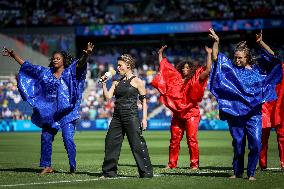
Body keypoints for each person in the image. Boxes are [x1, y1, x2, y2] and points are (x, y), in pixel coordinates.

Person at [2, 42, 94, 175]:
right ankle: (47, 166)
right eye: (54, 58)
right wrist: (15, 56)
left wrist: (87, 55)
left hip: (67, 112)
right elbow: (29, 68)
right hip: (50, 113)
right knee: (45, 137)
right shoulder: (46, 72)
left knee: (68, 138)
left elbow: (80, 64)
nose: (55, 60)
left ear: (63, 60)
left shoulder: (70, 72)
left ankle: (72, 166)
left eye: (58, 58)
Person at [208, 28, 282, 180]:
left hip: (254, 112)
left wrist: (261, 43)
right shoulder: (230, 69)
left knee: (255, 142)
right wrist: (216, 42)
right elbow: (216, 58)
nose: (237, 60)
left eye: (240, 58)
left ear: (247, 57)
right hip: (235, 111)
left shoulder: (258, 69)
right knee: (238, 143)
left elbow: (274, 59)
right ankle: (237, 172)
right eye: (236, 57)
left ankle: (251, 173)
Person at [151, 45, 212, 169]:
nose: (185, 69)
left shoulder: (195, 79)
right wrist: (160, 54)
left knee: (191, 139)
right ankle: (171, 164)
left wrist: (209, 54)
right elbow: (164, 69)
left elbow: (207, 70)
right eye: (183, 67)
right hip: (178, 114)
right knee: (174, 140)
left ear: (191, 69)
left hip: (191, 113)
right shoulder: (176, 79)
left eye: (188, 68)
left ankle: (194, 164)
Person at [100, 54, 153, 178]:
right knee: (111, 142)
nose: (117, 68)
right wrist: (103, 84)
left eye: (120, 65)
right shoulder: (116, 81)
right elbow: (107, 97)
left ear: (128, 66)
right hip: (117, 116)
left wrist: (144, 118)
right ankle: (109, 172)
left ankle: (146, 172)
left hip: (131, 116)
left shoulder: (138, 81)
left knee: (137, 144)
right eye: (117, 65)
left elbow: (144, 101)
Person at [260, 61, 284, 171]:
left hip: (279, 105)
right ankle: (262, 163)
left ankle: (283, 162)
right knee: (262, 137)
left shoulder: (281, 68)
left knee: (282, 135)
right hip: (265, 106)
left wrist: (260, 42)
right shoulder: (259, 69)